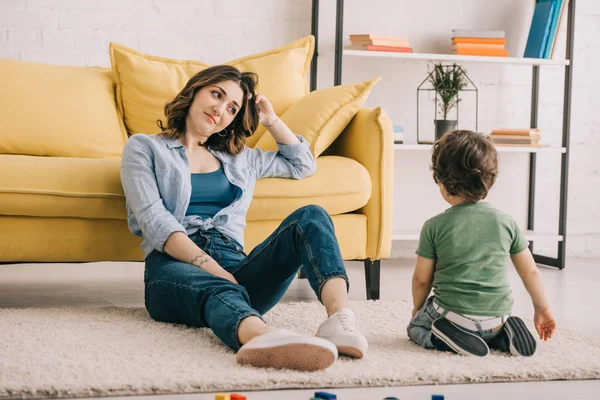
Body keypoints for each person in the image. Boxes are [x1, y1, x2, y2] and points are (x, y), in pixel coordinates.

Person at [120, 65, 368, 372]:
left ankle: (339, 319)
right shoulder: (145, 148)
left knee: (312, 217)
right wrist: (211, 268)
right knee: (218, 287)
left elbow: (303, 165)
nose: (220, 109)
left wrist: (272, 121)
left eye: (232, 108)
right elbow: (154, 219)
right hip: (173, 268)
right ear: (195, 91)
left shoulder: (240, 158)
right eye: (216, 94)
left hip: (237, 267)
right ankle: (261, 336)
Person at [406, 130, 556, 357]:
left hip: (453, 317)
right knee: (493, 325)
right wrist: (542, 308)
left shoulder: (434, 226)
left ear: (443, 181)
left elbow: (422, 278)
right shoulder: (507, 223)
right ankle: (504, 333)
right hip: (497, 317)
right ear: (490, 178)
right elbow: (531, 273)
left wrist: (418, 308)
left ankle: (444, 337)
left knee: (416, 327)